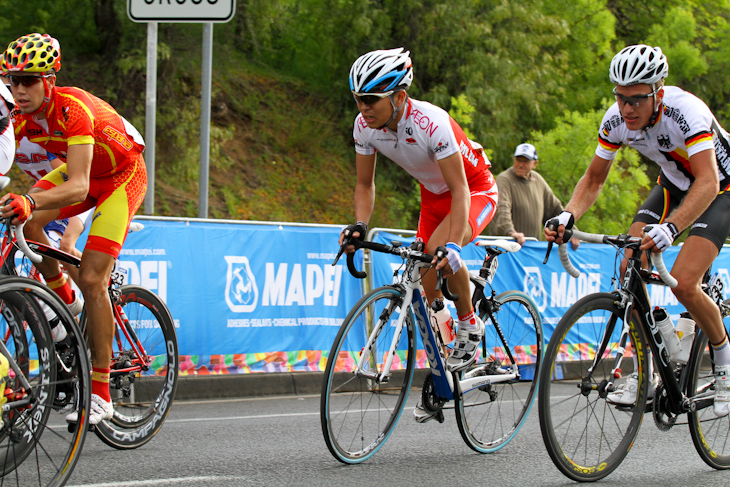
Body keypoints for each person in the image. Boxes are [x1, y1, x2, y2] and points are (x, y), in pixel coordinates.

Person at [545, 45, 730, 417]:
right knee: (629, 262)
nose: (626, 109)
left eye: (636, 100)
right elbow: (595, 178)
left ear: (658, 93)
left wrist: (673, 227)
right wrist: (568, 215)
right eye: (620, 97)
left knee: (685, 281)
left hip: (721, 186)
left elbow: (708, 181)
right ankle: (646, 370)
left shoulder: (686, 112)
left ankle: (725, 367)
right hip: (675, 182)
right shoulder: (615, 120)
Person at [339, 48, 499, 421]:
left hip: (473, 191)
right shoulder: (364, 126)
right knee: (426, 282)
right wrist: (360, 225)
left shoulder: (431, 123)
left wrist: (454, 245)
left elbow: (460, 190)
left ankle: (469, 325)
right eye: (358, 99)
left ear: (398, 97)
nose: (362, 108)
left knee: (438, 253)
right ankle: (447, 363)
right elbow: (365, 184)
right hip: (433, 199)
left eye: (371, 100)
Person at [1, 33, 147, 424]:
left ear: (49, 80)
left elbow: (79, 186)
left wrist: (30, 198)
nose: (19, 89)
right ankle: (65, 299)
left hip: (120, 177)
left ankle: (101, 391)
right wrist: (25, 203)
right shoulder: (18, 116)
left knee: (94, 276)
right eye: (12, 80)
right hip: (87, 173)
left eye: (29, 80)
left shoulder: (73, 108)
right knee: (26, 218)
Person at [489, 142, 579, 249]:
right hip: (506, 248)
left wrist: (571, 231)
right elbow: (502, 208)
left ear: (534, 164)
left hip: (531, 249)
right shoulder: (504, 179)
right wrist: (510, 232)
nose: (521, 164)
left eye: (526, 161)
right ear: (513, 160)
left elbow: (554, 209)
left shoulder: (538, 180)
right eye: (518, 160)